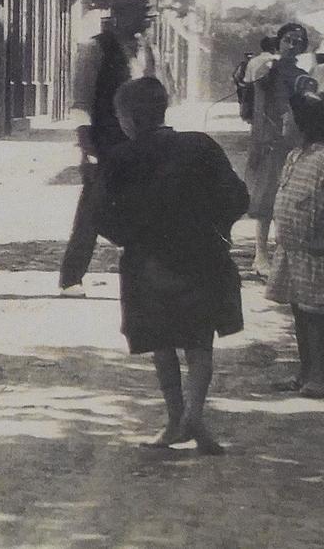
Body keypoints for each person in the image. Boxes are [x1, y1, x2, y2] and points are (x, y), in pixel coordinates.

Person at [95, 77, 248, 455]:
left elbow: (102, 217)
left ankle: (174, 416)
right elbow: (237, 197)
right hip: (202, 257)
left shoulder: (119, 158)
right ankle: (195, 413)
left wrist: (130, 236)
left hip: (148, 263)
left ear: (129, 118)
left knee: (160, 341)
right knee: (200, 342)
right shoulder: (200, 146)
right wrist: (215, 226)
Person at [58, 0, 156, 290]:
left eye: (150, 13)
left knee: (146, 209)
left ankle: (143, 276)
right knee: (92, 211)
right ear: (120, 14)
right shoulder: (95, 49)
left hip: (139, 146)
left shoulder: (145, 48)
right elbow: (81, 103)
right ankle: (71, 278)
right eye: (143, 13)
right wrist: (86, 148)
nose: (149, 19)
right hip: (106, 145)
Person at [265, 87, 324, 397]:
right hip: (291, 250)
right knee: (299, 312)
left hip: (313, 251)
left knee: (313, 314)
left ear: (304, 123)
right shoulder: (294, 156)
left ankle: (317, 377)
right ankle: (303, 374)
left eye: (289, 116)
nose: (283, 120)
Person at [245, 21, 312, 276]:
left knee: (290, 200)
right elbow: (250, 88)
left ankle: (284, 255)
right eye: (288, 40)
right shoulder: (265, 68)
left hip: (293, 141)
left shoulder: (302, 75)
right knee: (265, 197)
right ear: (279, 41)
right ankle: (260, 254)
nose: (292, 45)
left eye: (298, 42)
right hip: (268, 139)